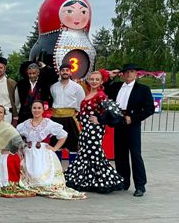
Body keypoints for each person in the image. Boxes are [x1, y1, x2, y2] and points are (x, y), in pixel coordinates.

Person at [65, 70, 124, 193]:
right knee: (85, 153)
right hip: (86, 129)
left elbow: (114, 111)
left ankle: (102, 181)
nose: (94, 81)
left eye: (97, 79)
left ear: (102, 81)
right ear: (88, 80)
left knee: (94, 154)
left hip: (94, 130)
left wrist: (101, 120)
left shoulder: (101, 95)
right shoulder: (87, 94)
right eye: (92, 79)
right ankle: (86, 180)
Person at [16, 100, 86, 199]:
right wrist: (20, 148)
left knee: (42, 178)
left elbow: (63, 135)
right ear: (31, 109)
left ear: (43, 109)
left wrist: (55, 148)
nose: (36, 110)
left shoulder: (48, 123)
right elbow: (15, 136)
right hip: (29, 153)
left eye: (39, 108)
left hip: (43, 152)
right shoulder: (26, 123)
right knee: (29, 176)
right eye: (34, 108)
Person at [104, 63, 155, 197]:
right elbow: (104, 89)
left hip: (132, 123)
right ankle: (123, 181)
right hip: (118, 121)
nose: (128, 74)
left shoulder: (143, 89)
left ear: (136, 74)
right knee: (120, 154)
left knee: (135, 154)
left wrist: (133, 118)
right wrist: (111, 77)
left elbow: (150, 109)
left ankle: (140, 185)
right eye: (126, 72)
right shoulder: (116, 86)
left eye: (131, 72)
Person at [0, 105, 35, 198]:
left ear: (4, 115)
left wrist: (10, 150)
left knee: (7, 160)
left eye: (0, 112)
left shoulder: (8, 128)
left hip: (6, 152)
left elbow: (18, 142)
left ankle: (6, 183)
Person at [49, 63, 85, 163]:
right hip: (56, 118)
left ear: (70, 72)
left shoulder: (77, 87)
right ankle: (58, 171)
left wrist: (76, 114)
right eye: (63, 70)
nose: (65, 72)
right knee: (56, 143)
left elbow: (81, 103)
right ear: (60, 72)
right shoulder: (53, 87)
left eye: (67, 70)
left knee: (73, 144)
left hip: (70, 118)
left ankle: (72, 172)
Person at [0, 57, 19, 125]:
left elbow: (16, 102)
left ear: (4, 69)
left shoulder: (11, 83)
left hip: (7, 115)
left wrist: (15, 116)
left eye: (0, 68)